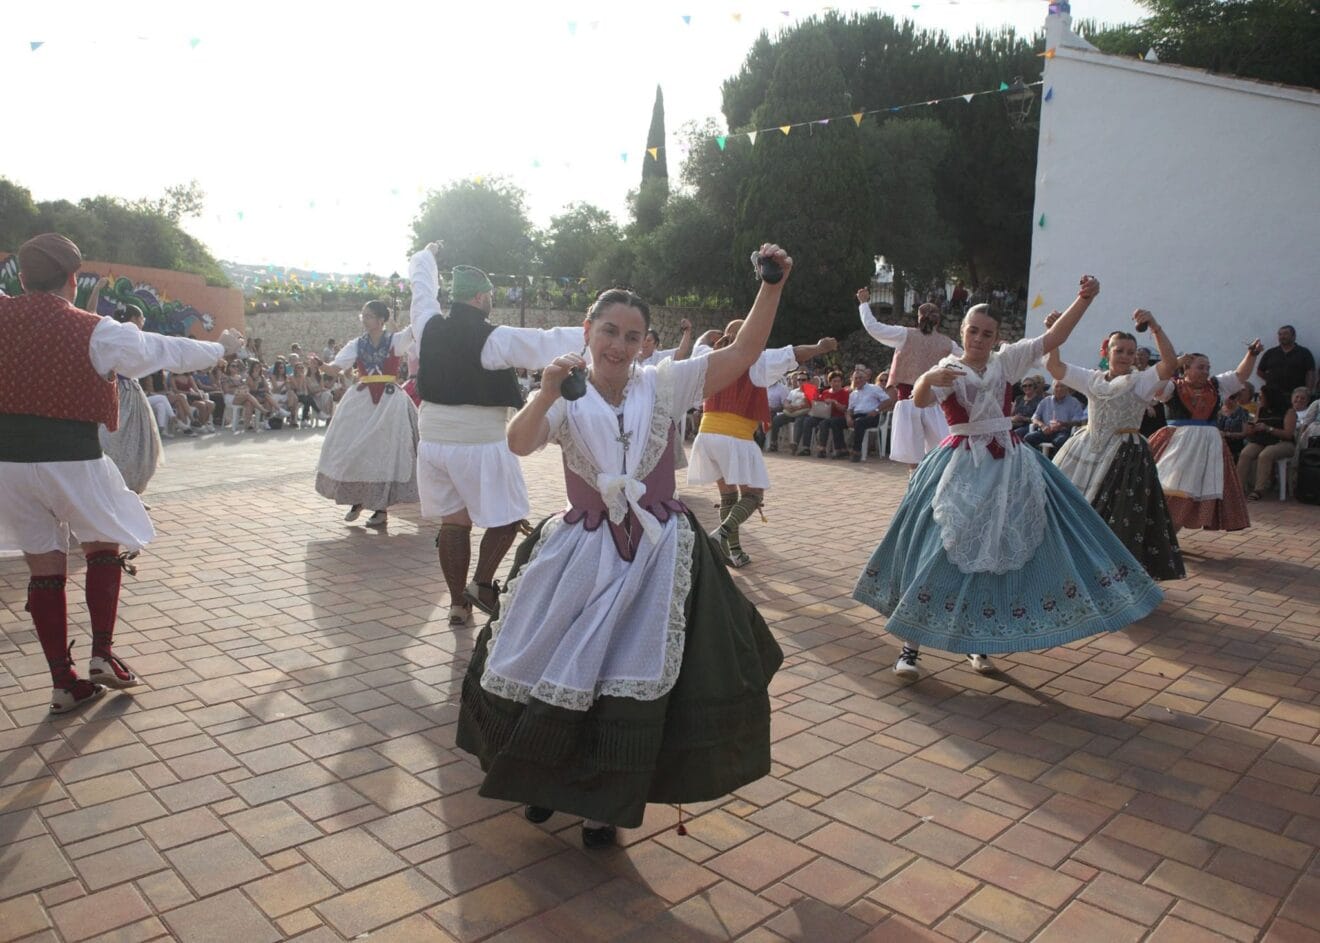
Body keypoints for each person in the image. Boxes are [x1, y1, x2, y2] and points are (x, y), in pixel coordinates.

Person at [455, 244, 791, 849]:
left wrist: (771, 286)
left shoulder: (665, 383)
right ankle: (542, 779)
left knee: (616, 682)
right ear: (588, 331)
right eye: (609, 330)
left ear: (644, 342)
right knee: (554, 666)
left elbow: (742, 353)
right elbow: (519, 442)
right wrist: (547, 392)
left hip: (658, 551)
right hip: (581, 551)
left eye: (632, 335)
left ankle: (599, 807)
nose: (618, 344)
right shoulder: (564, 391)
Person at [852, 276, 1162, 681]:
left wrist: (1083, 299)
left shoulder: (1007, 361)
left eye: (987, 333)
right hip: (959, 465)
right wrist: (927, 380)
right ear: (962, 332)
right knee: (936, 547)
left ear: (996, 336)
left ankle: (979, 643)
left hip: (1009, 466)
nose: (979, 338)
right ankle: (911, 647)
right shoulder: (947, 367)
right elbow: (923, 399)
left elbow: (1052, 339)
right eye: (973, 331)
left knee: (998, 555)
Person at [0, 234, 243, 713]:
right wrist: (219, 350)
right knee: (103, 543)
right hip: (71, 458)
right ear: (73, 280)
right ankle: (102, 654)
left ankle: (62, 683)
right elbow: (161, 350)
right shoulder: (94, 330)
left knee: (44, 567)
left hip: (7, 464)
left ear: (22, 279)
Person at [409, 246, 587, 626]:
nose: (491, 301)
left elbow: (421, 290)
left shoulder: (426, 324)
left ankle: (458, 604)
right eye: (489, 295)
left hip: (432, 443)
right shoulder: (492, 338)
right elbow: (543, 342)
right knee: (508, 518)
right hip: (479, 441)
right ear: (478, 298)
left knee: (454, 522)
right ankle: (482, 583)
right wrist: (594, 331)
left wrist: (426, 257)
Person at [1044, 310, 1186, 580]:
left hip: (1125, 455)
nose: (1124, 356)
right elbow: (1056, 368)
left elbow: (1168, 364)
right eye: (1119, 350)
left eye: (1130, 353)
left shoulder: (1141, 381)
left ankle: (1113, 575)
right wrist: (1054, 337)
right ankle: (1074, 568)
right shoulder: (1092, 379)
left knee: (1117, 515)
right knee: (1070, 505)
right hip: (1088, 447)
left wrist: (1155, 326)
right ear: (1106, 351)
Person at [688, 324, 837, 566]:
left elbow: (698, 346)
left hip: (706, 434)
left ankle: (734, 552)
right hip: (734, 435)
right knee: (753, 496)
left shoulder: (709, 357)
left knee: (728, 496)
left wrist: (707, 335)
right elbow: (794, 354)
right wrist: (820, 347)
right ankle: (722, 534)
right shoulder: (754, 359)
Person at [314, 301, 419, 528]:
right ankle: (358, 499)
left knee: (384, 453)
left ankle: (380, 509)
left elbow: (417, 327)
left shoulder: (396, 340)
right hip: (361, 402)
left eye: (369, 315)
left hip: (389, 403)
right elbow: (336, 367)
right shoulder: (356, 344)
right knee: (354, 449)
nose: (364, 319)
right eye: (363, 315)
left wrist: (423, 299)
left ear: (381, 320)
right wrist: (322, 365)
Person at [1148, 342, 1262, 531]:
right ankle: (1165, 537)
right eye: (1200, 367)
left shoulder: (1216, 386)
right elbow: (1156, 381)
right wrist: (1173, 363)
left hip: (1208, 446)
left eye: (1208, 368)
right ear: (1186, 369)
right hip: (1178, 445)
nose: (1205, 371)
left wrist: (1252, 354)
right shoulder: (1172, 388)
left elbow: (1240, 376)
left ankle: (1170, 538)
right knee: (1172, 489)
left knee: (1194, 491)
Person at [856, 290, 962, 468]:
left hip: (908, 402)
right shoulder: (948, 343)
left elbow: (873, 327)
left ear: (918, 317)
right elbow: (968, 362)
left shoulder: (904, 334)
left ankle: (915, 489)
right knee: (940, 456)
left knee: (913, 459)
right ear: (939, 320)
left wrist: (864, 303)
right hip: (935, 404)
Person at [97, 309, 165, 496]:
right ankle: (115, 490)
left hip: (132, 392)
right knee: (115, 442)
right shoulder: (120, 336)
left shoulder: (136, 339)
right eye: (142, 318)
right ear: (134, 318)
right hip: (120, 392)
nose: (143, 321)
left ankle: (132, 492)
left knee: (141, 444)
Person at [1239, 387, 1308, 500]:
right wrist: (1252, 428)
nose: (1260, 398)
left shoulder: (1288, 411)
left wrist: (1268, 428)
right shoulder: (1261, 409)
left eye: (1262, 396)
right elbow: (1256, 423)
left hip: (1283, 442)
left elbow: (1288, 434)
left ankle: (1259, 489)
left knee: (1266, 454)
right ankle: (1238, 486)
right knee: (1246, 453)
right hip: (1263, 440)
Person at [1257, 325, 1315, 416]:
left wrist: (1308, 391)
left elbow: (1310, 373)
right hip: (1273, 395)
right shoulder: (1270, 353)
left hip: (1295, 396)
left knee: (1293, 418)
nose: (1282, 337)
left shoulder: (1304, 353)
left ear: (1293, 336)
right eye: (1280, 334)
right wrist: (1271, 380)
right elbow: (1260, 371)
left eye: (1285, 334)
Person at [1022, 380, 1087, 452]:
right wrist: (1042, 426)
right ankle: (1035, 460)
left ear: (1067, 388)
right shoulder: (1046, 401)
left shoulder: (1074, 402)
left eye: (1062, 386)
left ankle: (1055, 462)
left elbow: (1078, 421)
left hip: (1062, 431)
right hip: (1046, 431)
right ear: (1053, 388)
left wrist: (1062, 424)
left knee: (1060, 441)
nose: (1059, 389)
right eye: (1056, 386)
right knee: (1027, 439)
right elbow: (1034, 418)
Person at [797, 369, 851, 457]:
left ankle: (822, 448)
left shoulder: (845, 393)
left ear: (842, 382)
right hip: (824, 415)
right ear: (830, 382)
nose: (836, 383)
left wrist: (834, 402)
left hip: (838, 416)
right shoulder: (825, 392)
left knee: (824, 423)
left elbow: (844, 409)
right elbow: (819, 404)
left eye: (838, 381)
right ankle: (806, 447)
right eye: (834, 381)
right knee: (808, 420)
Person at [846, 364, 893, 462]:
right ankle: (840, 449)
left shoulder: (874, 388)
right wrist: (848, 418)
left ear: (865, 379)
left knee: (859, 422)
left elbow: (888, 401)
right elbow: (850, 409)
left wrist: (876, 410)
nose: (858, 380)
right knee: (833, 422)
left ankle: (856, 451)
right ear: (853, 380)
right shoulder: (853, 394)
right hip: (857, 416)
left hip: (872, 416)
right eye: (856, 378)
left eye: (860, 378)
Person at [768, 372, 810, 451]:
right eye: (799, 379)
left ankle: (795, 443)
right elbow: (786, 402)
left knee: (799, 420)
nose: (800, 381)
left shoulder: (811, 390)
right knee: (776, 419)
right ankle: (774, 442)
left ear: (808, 381)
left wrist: (797, 407)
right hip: (792, 412)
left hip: (804, 413)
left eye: (803, 380)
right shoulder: (793, 392)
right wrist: (788, 406)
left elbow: (809, 404)